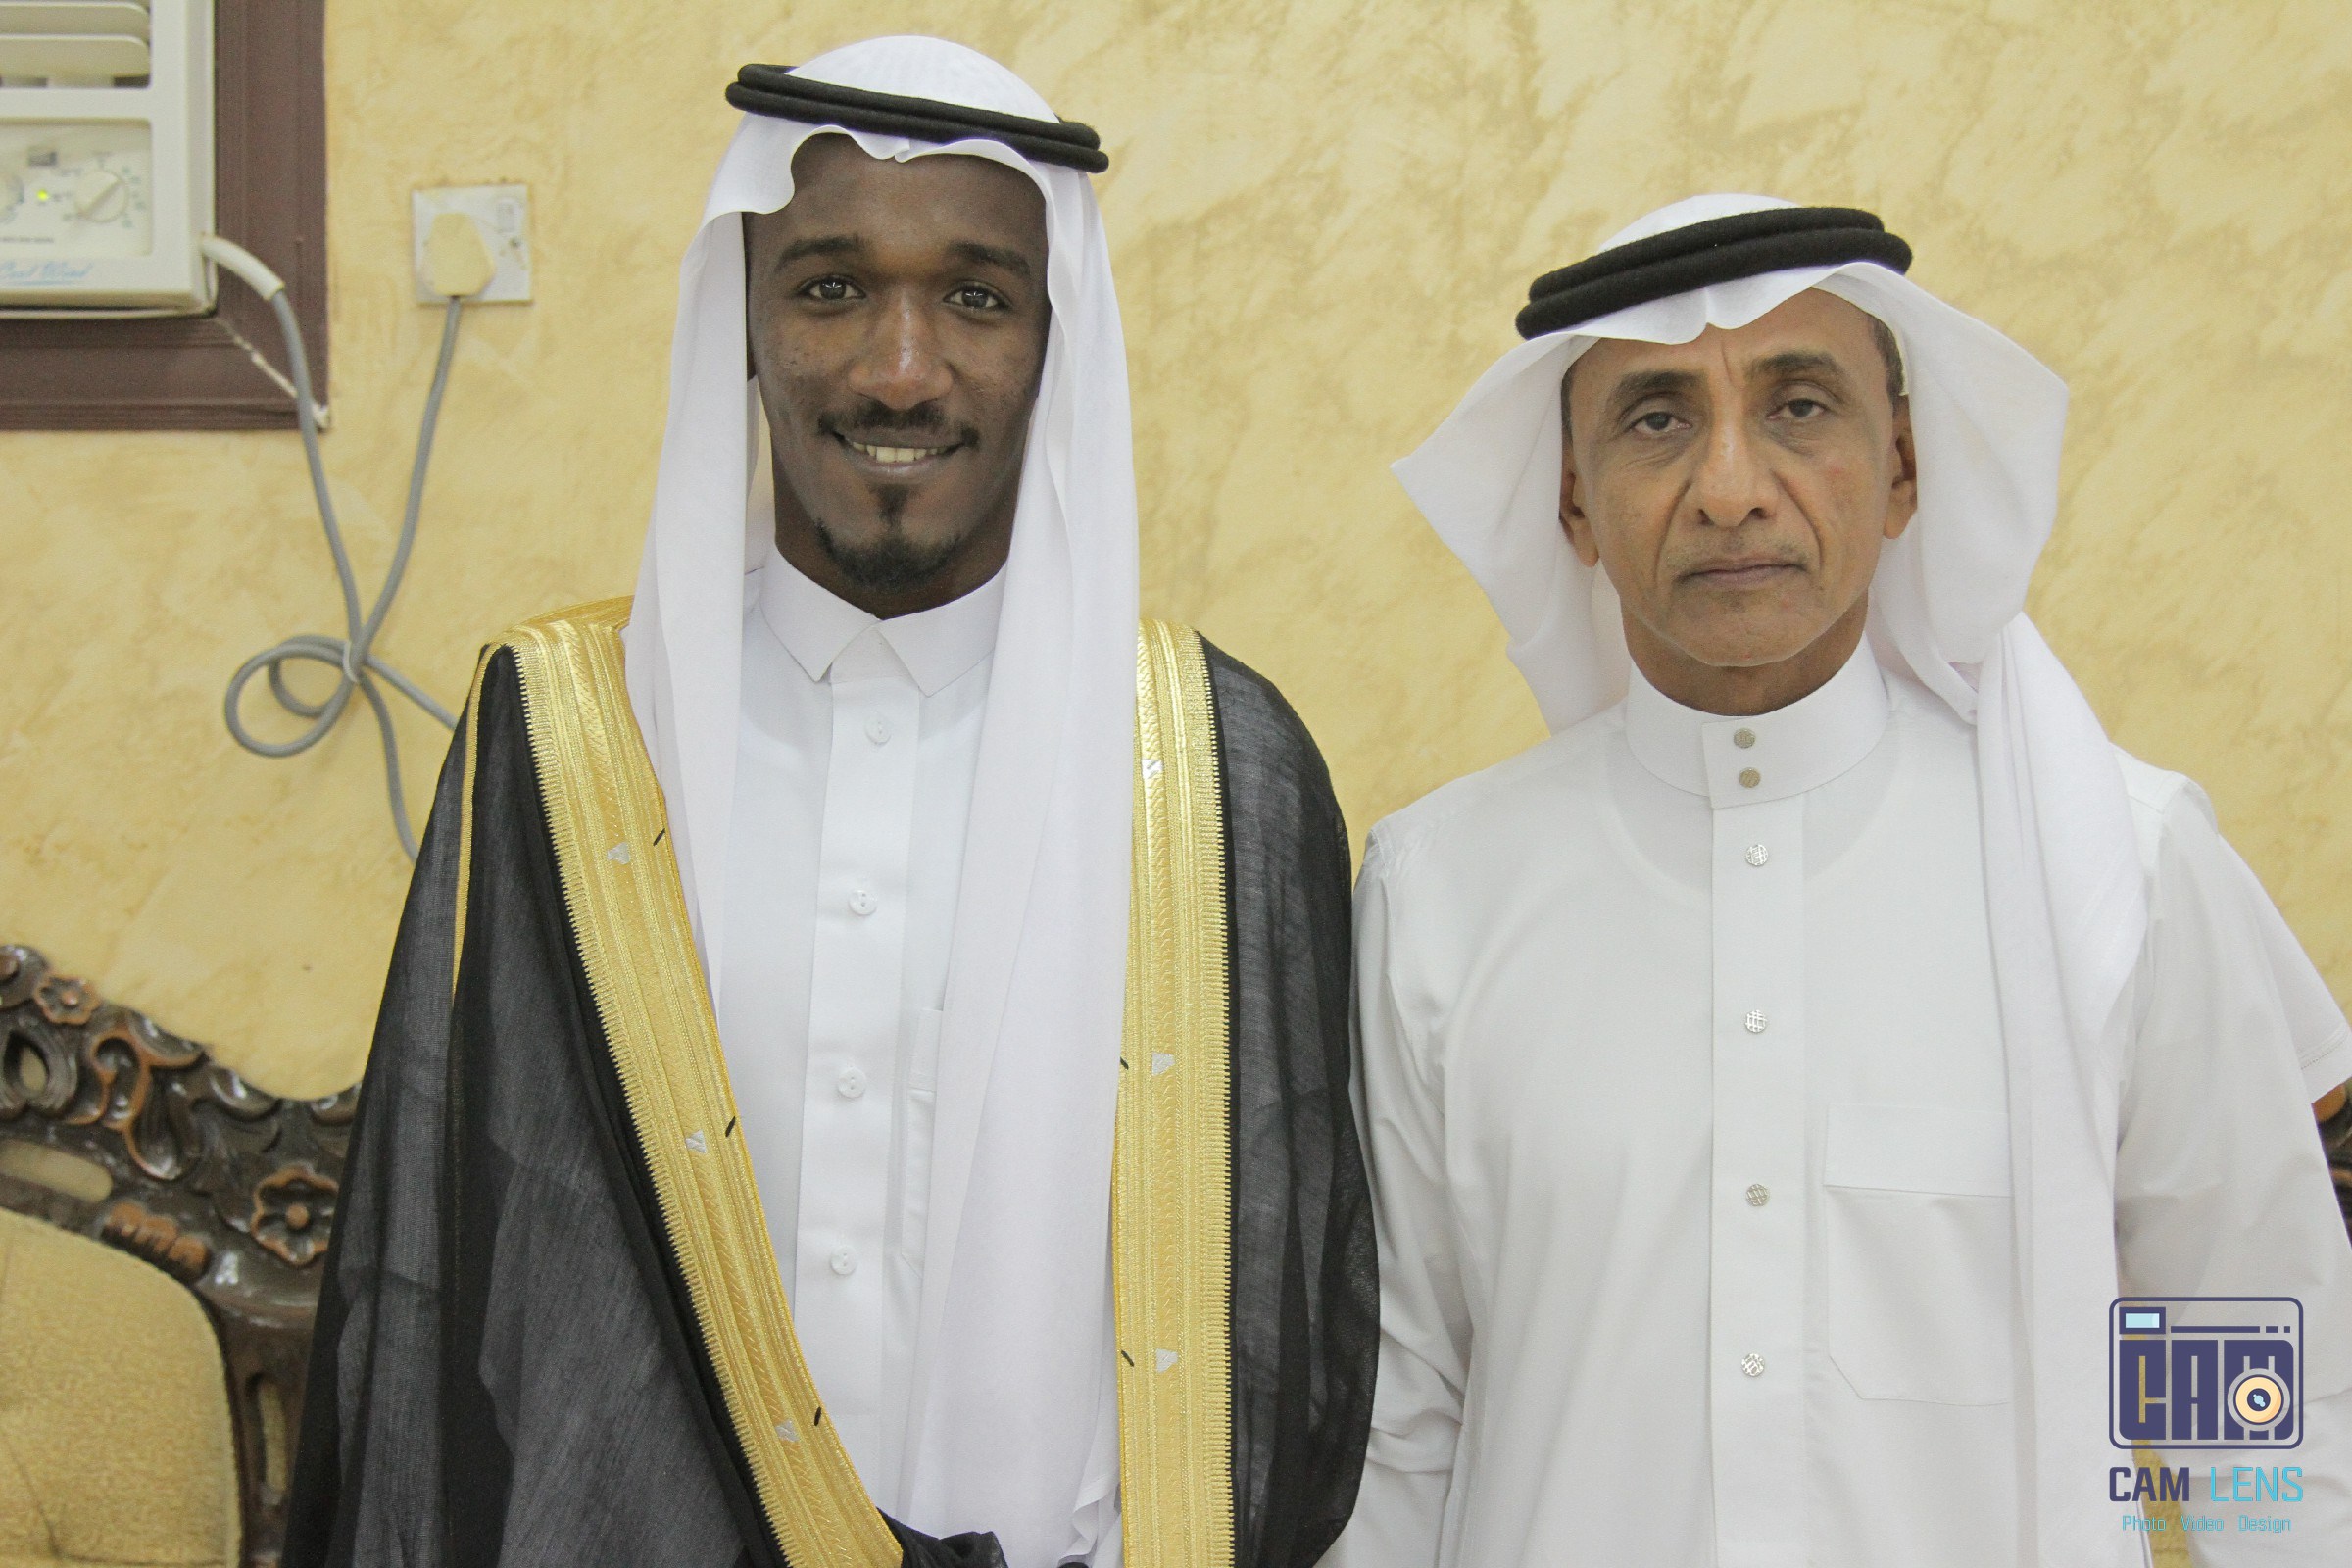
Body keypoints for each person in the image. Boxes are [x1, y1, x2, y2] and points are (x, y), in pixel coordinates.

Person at [284, 37, 1373, 1568]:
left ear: (1056, 341)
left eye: (978, 299)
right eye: (831, 288)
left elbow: (1290, 1317)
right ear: (743, 322)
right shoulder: (575, 737)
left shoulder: (1213, 768)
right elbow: (446, 1288)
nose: (900, 370)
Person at [1334, 196, 2352, 1567]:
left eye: (1800, 407)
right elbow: (1400, 1429)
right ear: (1572, 499)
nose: (1731, 487)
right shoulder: (1439, 893)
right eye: (1657, 419)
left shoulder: (2119, 867)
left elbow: (2258, 1401)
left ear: (1905, 467)